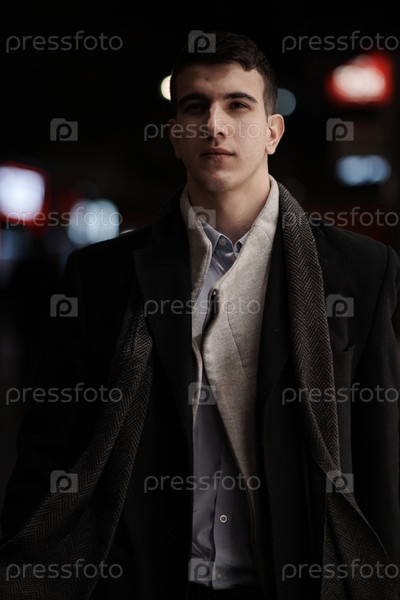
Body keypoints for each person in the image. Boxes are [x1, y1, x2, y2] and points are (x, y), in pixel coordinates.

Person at [0, 29, 399, 600]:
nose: (214, 124)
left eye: (237, 105)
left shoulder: (360, 271)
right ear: (175, 137)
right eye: (195, 107)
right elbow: (48, 450)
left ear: (272, 131)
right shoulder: (101, 277)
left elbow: (381, 458)